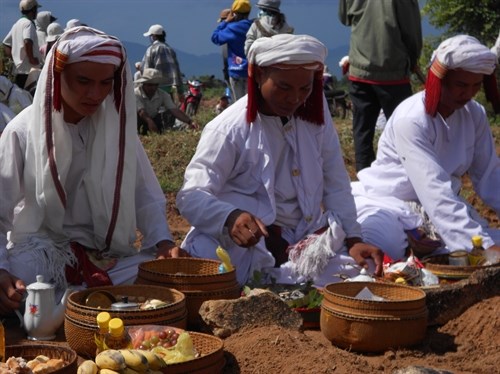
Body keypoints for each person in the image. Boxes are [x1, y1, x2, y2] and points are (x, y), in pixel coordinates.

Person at [0, 26, 188, 317]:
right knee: (21, 279)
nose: (95, 94)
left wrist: (163, 242)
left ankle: (70, 304)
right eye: (84, 81)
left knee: (163, 271)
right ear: (57, 76)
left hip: (105, 254)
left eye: (105, 83)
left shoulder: (118, 132)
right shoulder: (22, 131)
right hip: (43, 253)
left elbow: (145, 194)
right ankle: (88, 302)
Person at [177, 33, 384, 286]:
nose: (295, 98)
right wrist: (229, 217)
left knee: (362, 271)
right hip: (246, 243)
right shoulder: (228, 128)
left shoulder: (316, 115)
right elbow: (191, 195)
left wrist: (353, 238)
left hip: (303, 242)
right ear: (259, 75)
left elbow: (336, 180)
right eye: (284, 87)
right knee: (209, 264)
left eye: (304, 88)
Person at [351, 35, 500, 263]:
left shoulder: (475, 113)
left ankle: (429, 249)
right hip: (389, 204)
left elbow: (490, 176)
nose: (468, 93)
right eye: (461, 85)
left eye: (476, 85)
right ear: (439, 80)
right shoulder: (412, 119)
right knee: (383, 249)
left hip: (436, 211)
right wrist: (486, 249)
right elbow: (434, 189)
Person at [339, 0, 422, 172]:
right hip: (393, 72)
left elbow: (344, 18)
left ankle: (364, 179)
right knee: (403, 131)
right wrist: (413, 58)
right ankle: (403, 176)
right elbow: (411, 31)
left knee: (362, 133)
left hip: (359, 70)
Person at [211, 0, 253, 102]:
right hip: (251, 71)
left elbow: (215, 37)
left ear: (234, 13)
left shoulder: (231, 28)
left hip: (236, 71)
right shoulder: (253, 26)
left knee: (238, 104)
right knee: (251, 102)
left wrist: (225, 22)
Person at [135, 68, 195, 134]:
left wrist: (190, 121)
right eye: (150, 85)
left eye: (155, 85)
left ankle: (160, 131)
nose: (153, 88)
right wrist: (150, 122)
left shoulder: (162, 94)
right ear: (144, 84)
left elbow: (174, 110)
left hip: (153, 118)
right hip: (138, 121)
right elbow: (142, 112)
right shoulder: (136, 93)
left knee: (168, 114)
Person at [2, 0, 43, 89]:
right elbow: (27, 41)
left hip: (18, 70)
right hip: (29, 71)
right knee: (31, 98)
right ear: (33, 10)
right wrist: (31, 59)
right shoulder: (28, 24)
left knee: (22, 98)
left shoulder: (16, 24)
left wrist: (15, 58)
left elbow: (6, 44)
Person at [141, 24, 185, 104]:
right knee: (169, 109)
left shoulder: (151, 49)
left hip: (155, 87)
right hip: (169, 88)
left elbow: (145, 69)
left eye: (150, 36)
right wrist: (181, 91)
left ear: (154, 36)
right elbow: (177, 70)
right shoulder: (170, 49)